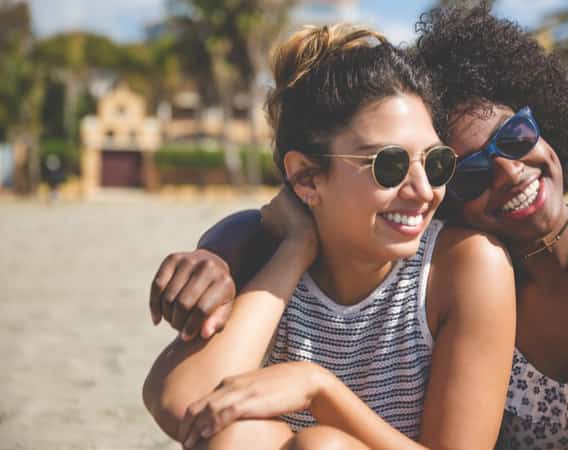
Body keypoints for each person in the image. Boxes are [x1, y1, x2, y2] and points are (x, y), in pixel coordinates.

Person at [149, 5, 568, 449]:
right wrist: (259, 246)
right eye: (464, 170)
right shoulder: (290, 242)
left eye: (516, 135)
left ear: (544, 120)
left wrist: (317, 388)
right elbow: (184, 404)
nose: (505, 171)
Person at [142, 23, 516, 450]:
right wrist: (296, 247)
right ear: (306, 178)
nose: (423, 190)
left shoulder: (463, 265)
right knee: (237, 437)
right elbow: (183, 402)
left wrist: (319, 390)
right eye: (389, 165)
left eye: (435, 163)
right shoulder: (270, 249)